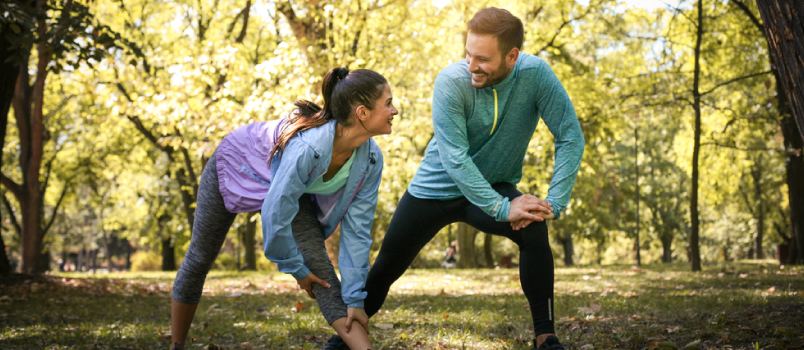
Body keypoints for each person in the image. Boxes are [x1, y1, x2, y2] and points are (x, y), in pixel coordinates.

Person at [327, 7, 584, 350]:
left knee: (535, 227)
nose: (472, 65)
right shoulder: (452, 82)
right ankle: (344, 340)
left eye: (482, 58)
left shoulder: (535, 75)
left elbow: (570, 134)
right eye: (468, 54)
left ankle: (546, 337)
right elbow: (455, 158)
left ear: (512, 56)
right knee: (387, 266)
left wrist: (555, 200)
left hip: (493, 184)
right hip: (436, 189)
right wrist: (501, 208)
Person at [170, 67, 398, 350]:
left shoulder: (371, 159)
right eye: (388, 103)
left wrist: (355, 300)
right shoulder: (308, 149)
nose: (395, 110)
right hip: (234, 164)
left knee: (320, 269)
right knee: (201, 256)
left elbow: (358, 232)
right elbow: (274, 213)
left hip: (292, 189)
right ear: (362, 113)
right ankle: (176, 344)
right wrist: (295, 269)